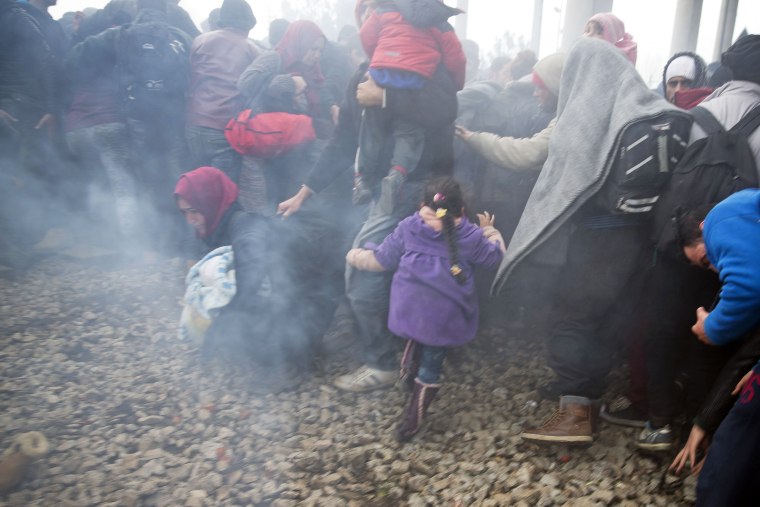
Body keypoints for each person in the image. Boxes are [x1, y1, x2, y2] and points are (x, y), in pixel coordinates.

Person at [496, 37, 684, 444]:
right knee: (609, 320)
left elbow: (564, 185)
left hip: (596, 242)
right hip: (641, 244)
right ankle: (591, 404)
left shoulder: (589, 116)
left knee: (570, 319)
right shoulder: (653, 110)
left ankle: (575, 415)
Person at [277, 51, 458, 394]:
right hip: (382, 190)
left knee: (383, 271)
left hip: (424, 190)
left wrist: (387, 98)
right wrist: (305, 191)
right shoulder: (361, 75)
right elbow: (344, 141)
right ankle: (402, 356)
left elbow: (445, 112)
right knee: (387, 269)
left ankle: (384, 363)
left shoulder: (430, 68)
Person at [346, 177, 504, 440]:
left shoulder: (409, 226)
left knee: (418, 334)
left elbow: (382, 260)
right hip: (445, 315)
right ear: (461, 210)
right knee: (432, 361)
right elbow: (495, 258)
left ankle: (408, 375)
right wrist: (490, 230)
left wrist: (355, 256)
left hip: (409, 308)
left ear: (422, 204)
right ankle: (413, 418)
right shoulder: (471, 235)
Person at [175, 167, 340, 393]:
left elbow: (251, 282)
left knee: (248, 314)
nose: (190, 219)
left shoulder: (244, 227)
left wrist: (220, 326)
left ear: (209, 202)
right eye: (184, 213)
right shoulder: (225, 225)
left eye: (194, 210)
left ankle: (291, 363)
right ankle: (299, 344)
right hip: (306, 292)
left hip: (314, 296)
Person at [668, 189, 760, 506]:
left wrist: (711, 327)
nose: (717, 270)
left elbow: (748, 286)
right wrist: (703, 423)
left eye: (707, 260)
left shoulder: (720, 218)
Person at [350, 0, 465, 206]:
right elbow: (457, 58)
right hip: (416, 76)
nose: (368, 12)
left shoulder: (384, 13)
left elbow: (446, 107)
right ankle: (397, 173)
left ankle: (362, 179)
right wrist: (458, 82)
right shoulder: (437, 21)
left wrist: (378, 58)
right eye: (364, 8)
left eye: (370, 6)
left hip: (423, 179)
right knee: (409, 132)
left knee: (370, 127)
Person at [185, 0, 259, 182]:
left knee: (199, 188)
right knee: (221, 194)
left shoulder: (200, 41)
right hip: (224, 129)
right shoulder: (252, 49)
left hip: (194, 125)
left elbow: (190, 77)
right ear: (248, 24)